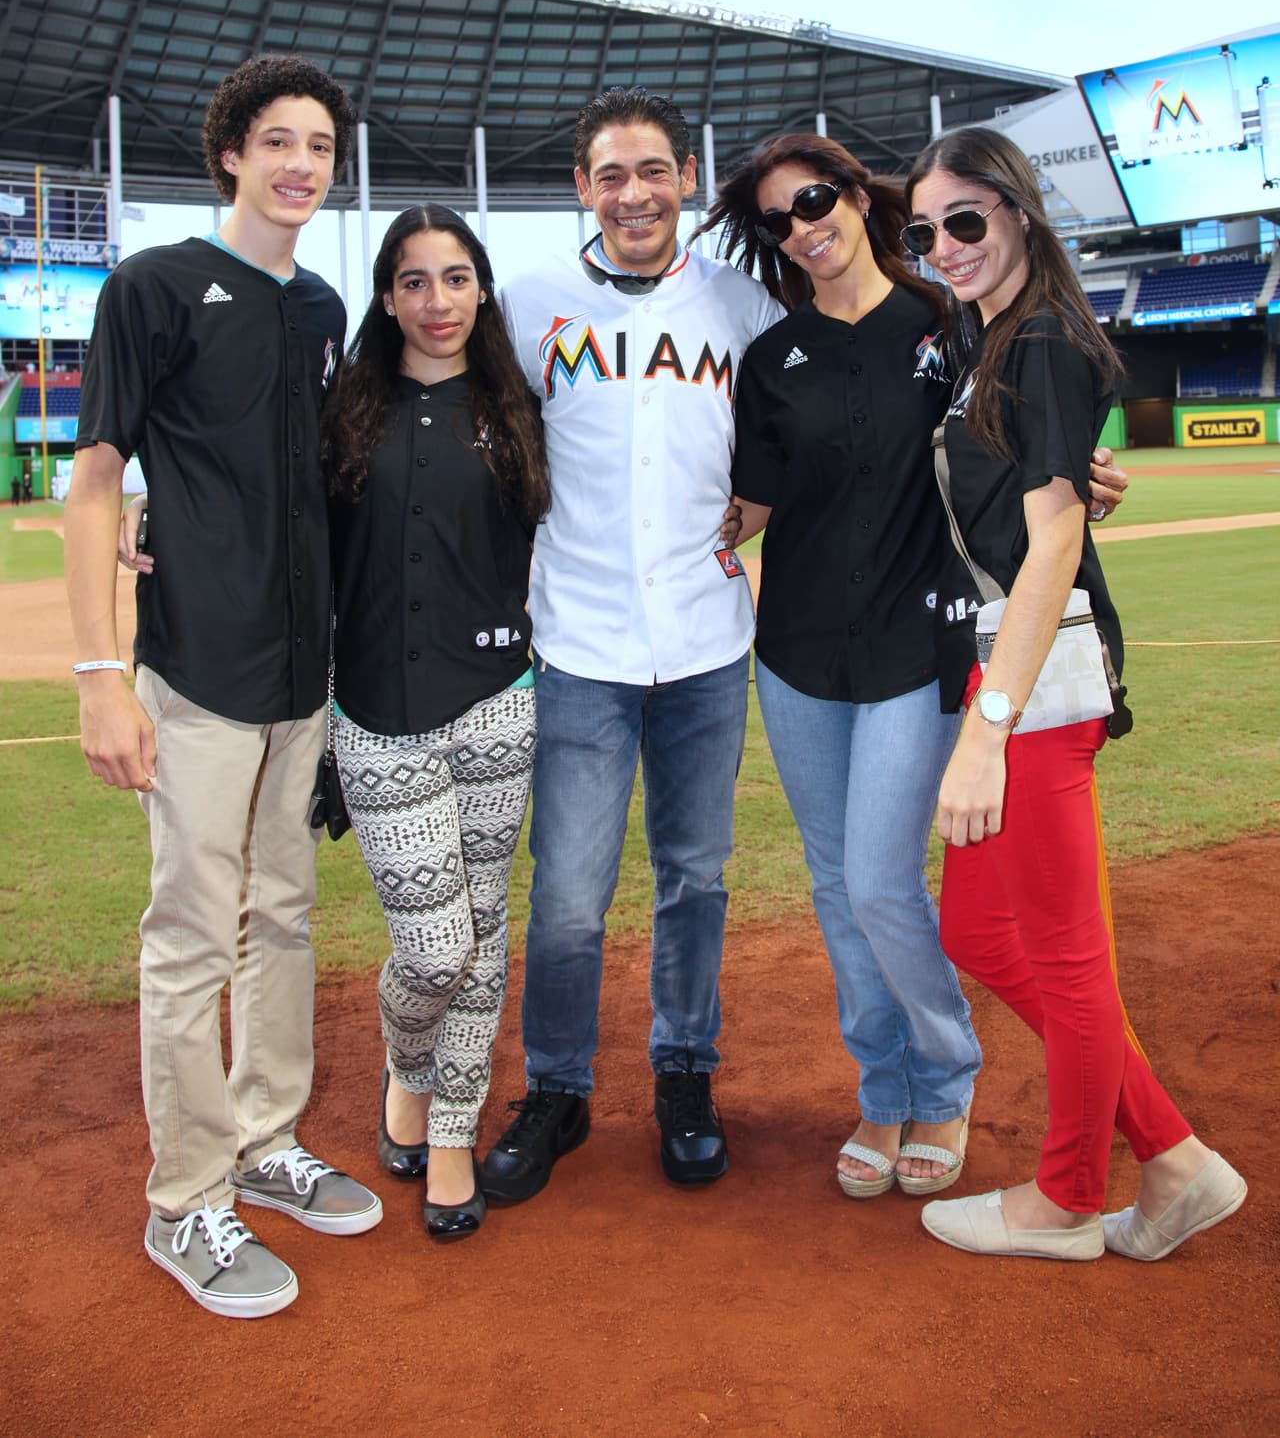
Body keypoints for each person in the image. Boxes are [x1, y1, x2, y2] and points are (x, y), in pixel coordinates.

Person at [65, 53, 382, 1320]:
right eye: (280, 142)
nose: (303, 164)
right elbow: (97, 482)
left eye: (320, 146)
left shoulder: (321, 314)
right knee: (192, 933)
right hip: (194, 669)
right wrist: (100, 673)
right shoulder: (151, 286)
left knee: (287, 914)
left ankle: (264, 1141)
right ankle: (185, 1197)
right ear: (231, 154)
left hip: (300, 675)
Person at [902, 125, 1245, 1261]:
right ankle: (1172, 1155)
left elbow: (1048, 546)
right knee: (975, 928)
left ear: (1016, 212)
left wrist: (985, 730)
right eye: (925, 229)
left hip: (1032, 675)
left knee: (1060, 954)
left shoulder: (1039, 337)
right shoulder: (993, 336)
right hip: (1005, 660)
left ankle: (1060, 1199)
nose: (944, 244)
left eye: (964, 220)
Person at [480, 87, 782, 1203]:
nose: (633, 192)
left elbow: (810, 440)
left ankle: (684, 1071)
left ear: (686, 178)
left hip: (705, 640)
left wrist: (755, 507)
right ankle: (556, 1090)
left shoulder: (742, 307)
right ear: (581, 188)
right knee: (566, 892)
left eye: (651, 170)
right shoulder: (527, 304)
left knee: (693, 876)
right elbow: (458, 436)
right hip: (577, 641)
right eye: (609, 174)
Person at [704, 134, 983, 1198]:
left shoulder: (945, 323)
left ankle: (945, 1080)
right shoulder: (774, 358)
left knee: (879, 877)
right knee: (834, 886)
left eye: (813, 199)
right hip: (798, 654)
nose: (801, 225)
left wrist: (1077, 472)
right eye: (777, 218)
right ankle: (881, 1088)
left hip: (914, 643)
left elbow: (1009, 440)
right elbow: (751, 505)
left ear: (858, 195)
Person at [321, 205, 549, 1241]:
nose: (437, 300)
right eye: (414, 281)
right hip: (376, 713)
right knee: (432, 950)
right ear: (386, 296)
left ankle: (447, 1129)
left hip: (496, 705)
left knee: (484, 929)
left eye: (456, 278)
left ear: (481, 288)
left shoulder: (516, 406)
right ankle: (407, 1062)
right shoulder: (343, 412)